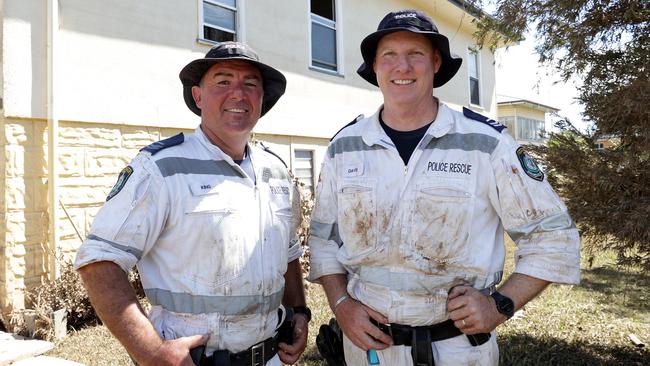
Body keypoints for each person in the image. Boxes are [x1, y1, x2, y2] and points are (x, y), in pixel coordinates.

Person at [308, 9, 580, 366]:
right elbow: (324, 239)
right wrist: (341, 305)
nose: (401, 67)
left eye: (415, 55)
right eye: (389, 55)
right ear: (374, 67)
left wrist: (500, 305)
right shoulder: (345, 147)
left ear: (436, 63)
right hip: (368, 348)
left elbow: (553, 238)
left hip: (458, 349)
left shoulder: (485, 143)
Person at [74, 41, 310, 366]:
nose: (238, 94)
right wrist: (151, 352)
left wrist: (299, 311)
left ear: (262, 99)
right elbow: (99, 261)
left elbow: (289, 250)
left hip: (272, 358)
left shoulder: (276, 172)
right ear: (198, 96)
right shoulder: (160, 169)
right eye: (223, 82)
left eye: (250, 84)